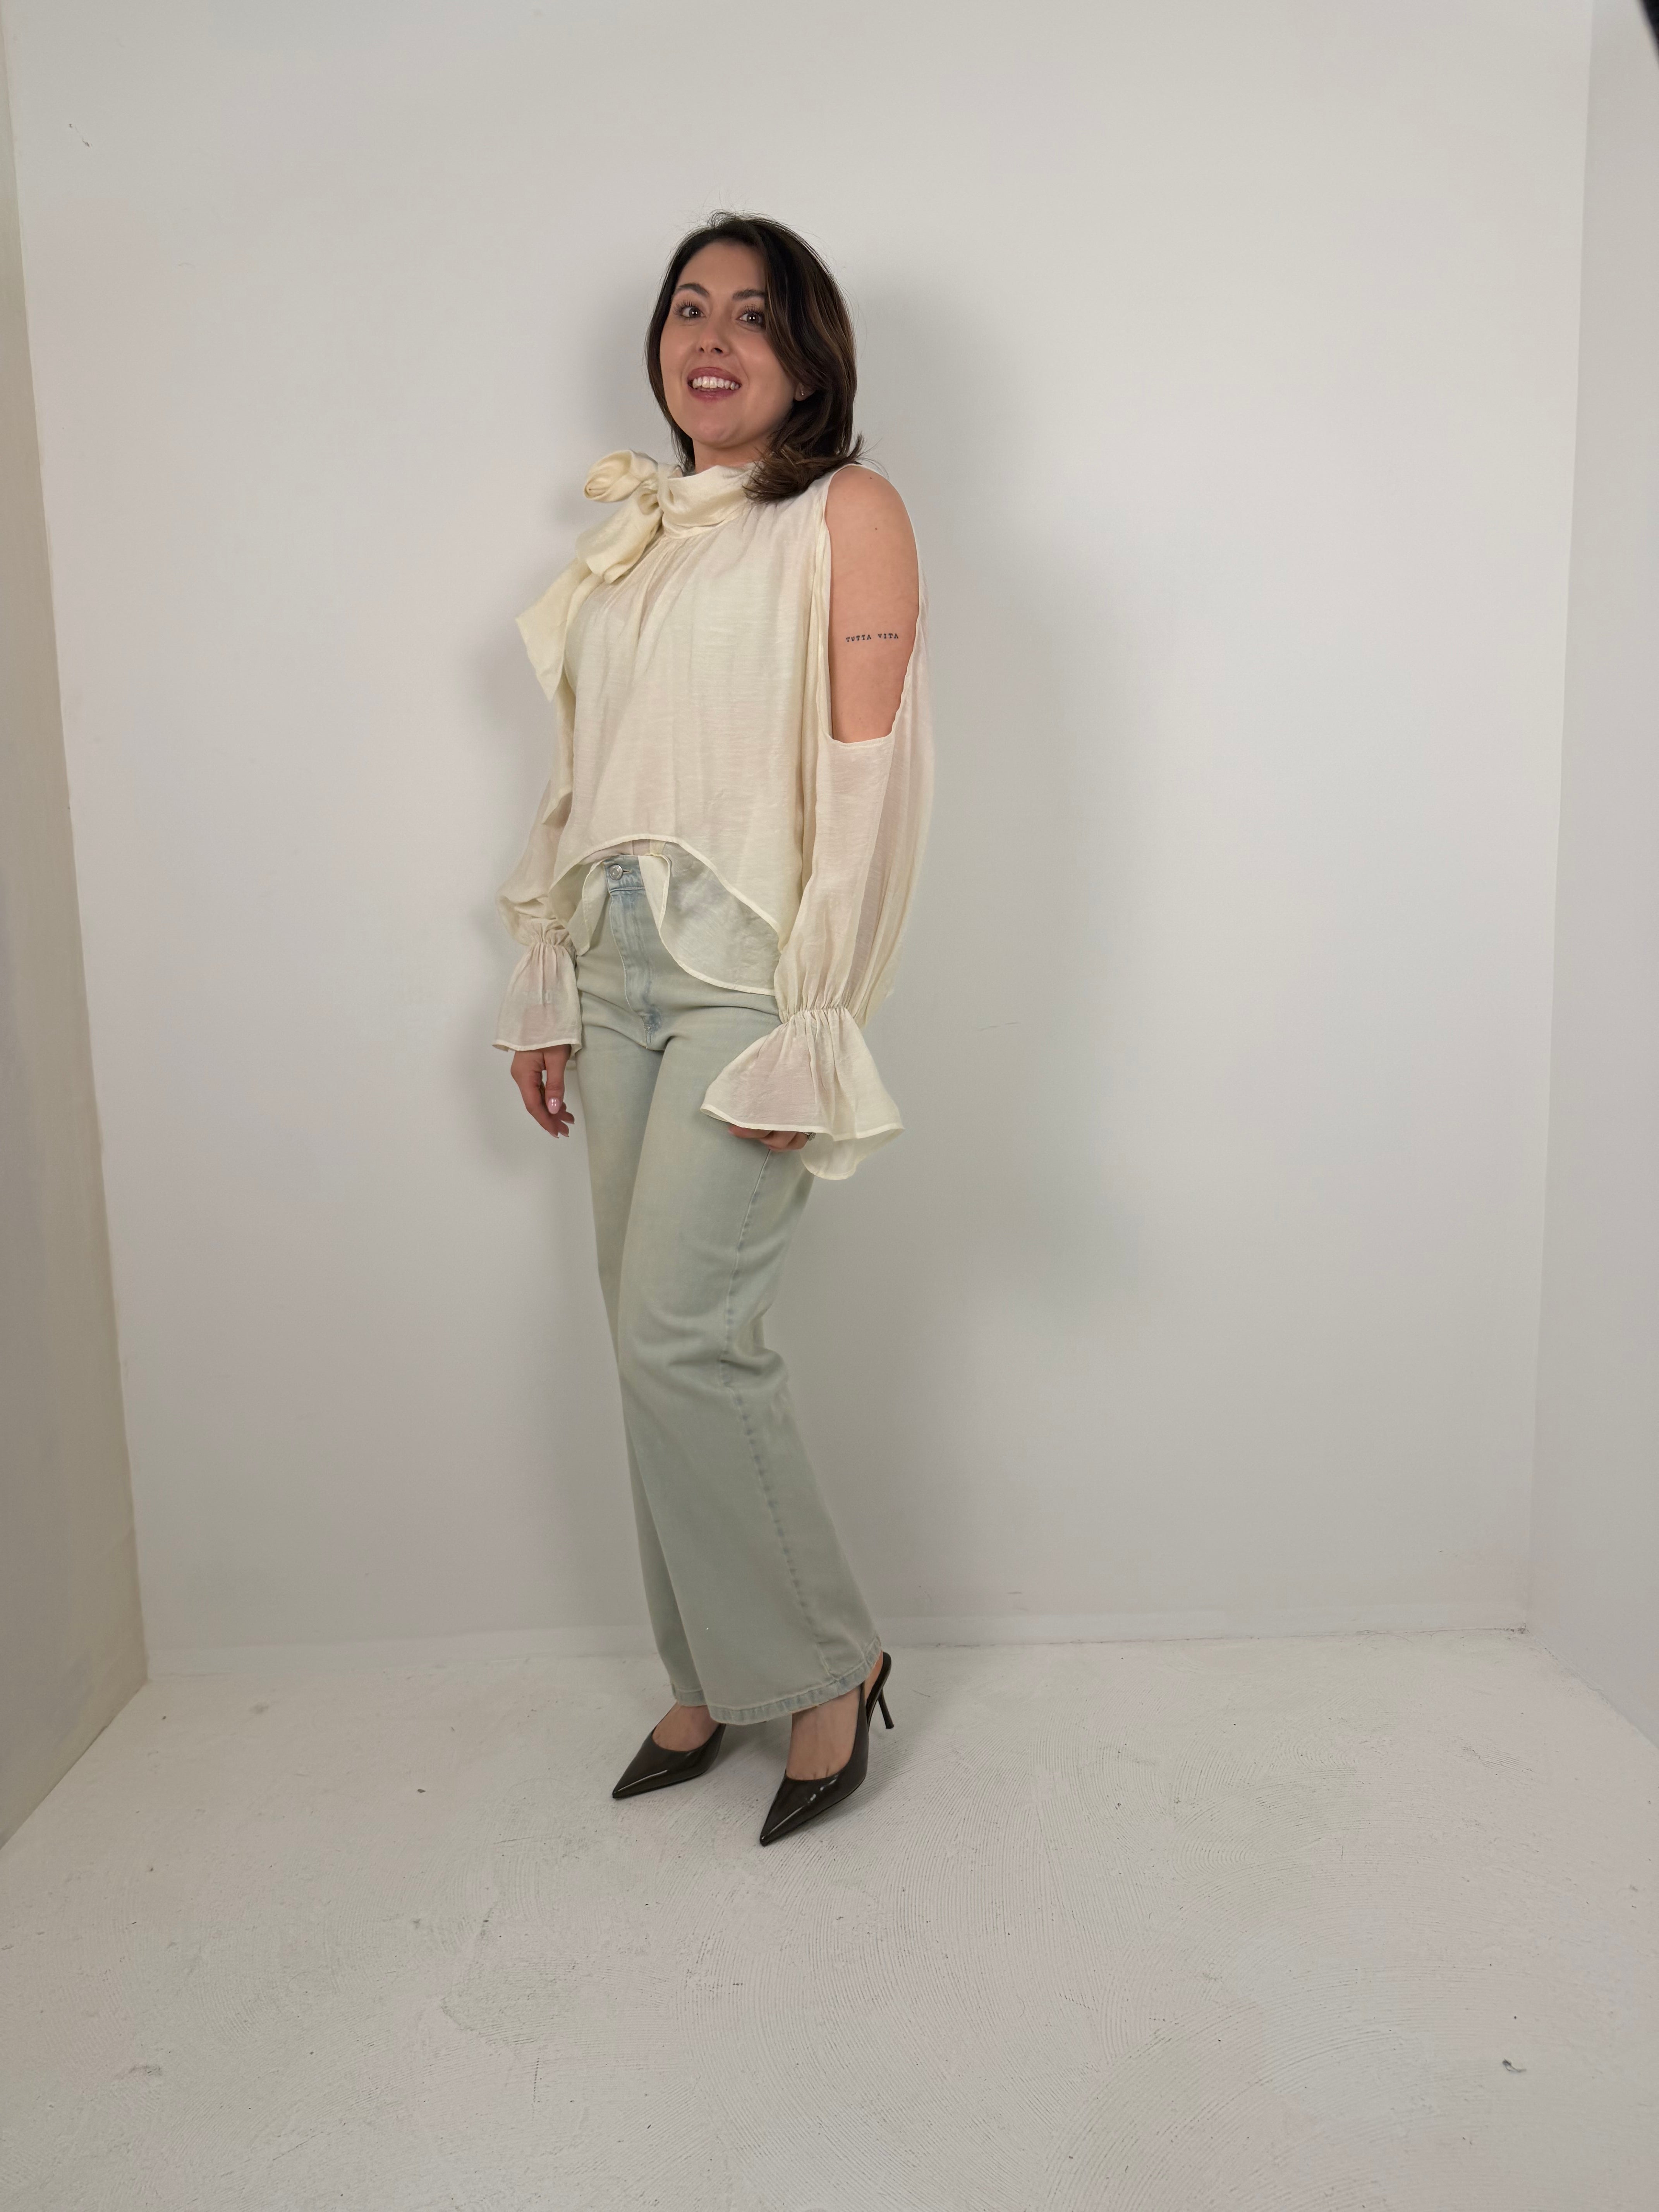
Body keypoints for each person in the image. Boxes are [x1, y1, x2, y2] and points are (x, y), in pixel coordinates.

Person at [494, 213, 932, 1844]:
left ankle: (826, 1661)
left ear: (807, 358)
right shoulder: (636, 540)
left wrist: (816, 1018)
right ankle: (710, 1667)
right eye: (690, 307)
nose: (713, 335)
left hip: (745, 972)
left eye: (754, 313)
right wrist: (544, 971)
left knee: (688, 1336)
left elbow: (870, 784)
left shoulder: (843, 515)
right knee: (641, 1343)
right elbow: (581, 772)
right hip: (610, 957)